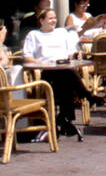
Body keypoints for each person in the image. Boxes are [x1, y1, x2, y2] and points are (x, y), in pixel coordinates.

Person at [22, 7, 94, 138]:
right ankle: (85, 97)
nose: (53, 21)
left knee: (66, 77)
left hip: (63, 69)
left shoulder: (61, 33)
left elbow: (70, 52)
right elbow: (26, 57)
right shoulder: (34, 35)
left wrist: (76, 55)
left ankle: (65, 119)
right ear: (41, 20)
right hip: (46, 72)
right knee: (67, 75)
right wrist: (41, 63)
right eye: (50, 18)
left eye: (55, 18)